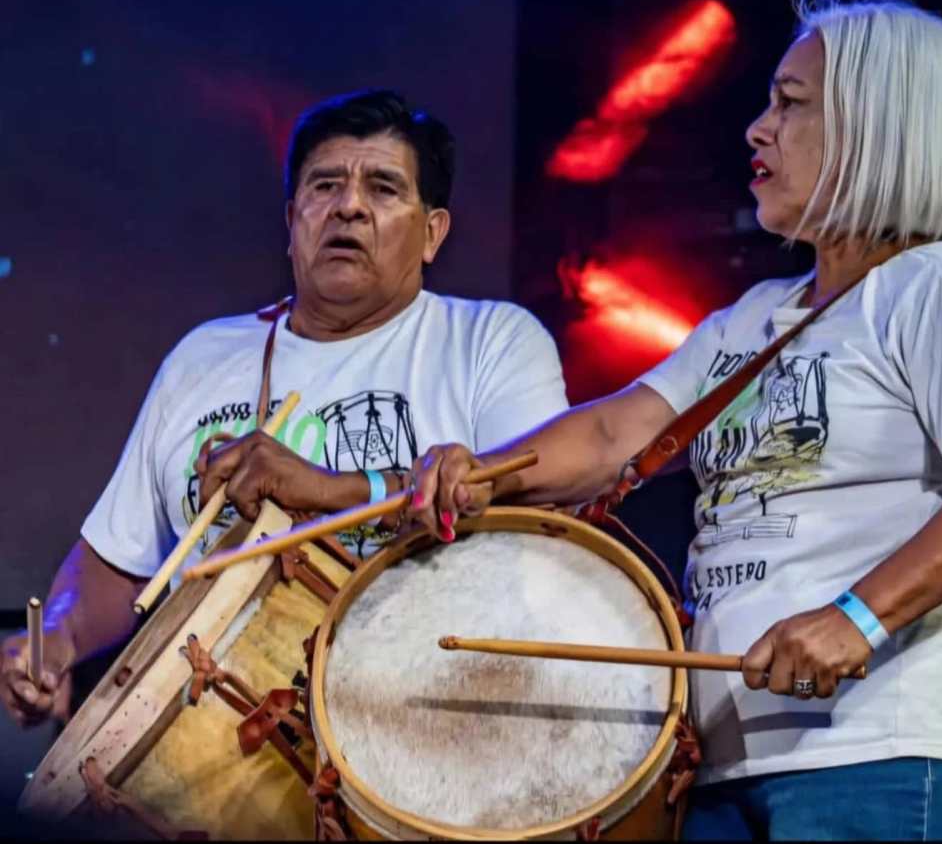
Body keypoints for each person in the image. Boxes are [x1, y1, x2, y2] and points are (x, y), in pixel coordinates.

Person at [407, 0, 942, 841]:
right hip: (729, 770)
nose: (757, 129)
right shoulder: (752, 318)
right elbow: (612, 434)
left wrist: (859, 617)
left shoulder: (940, 283)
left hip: (884, 752)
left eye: (791, 104)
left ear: (877, 125)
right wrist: (482, 473)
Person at [1, 89, 568, 730]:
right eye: (325, 186)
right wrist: (57, 638)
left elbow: (535, 518)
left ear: (432, 233)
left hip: (420, 727)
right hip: (207, 735)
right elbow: (119, 557)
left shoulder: (490, 341)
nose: (349, 206)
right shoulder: (204, 357)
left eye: (383, 189)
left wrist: (323, 489)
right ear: (293, 220)